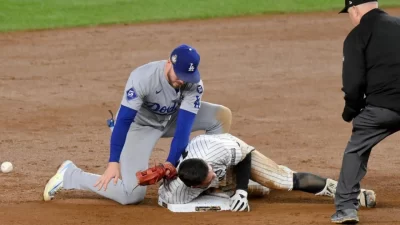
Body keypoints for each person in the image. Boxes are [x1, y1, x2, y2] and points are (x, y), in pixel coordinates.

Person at [42, 44, 232, 205]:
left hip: (172, 119)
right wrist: (113, 162)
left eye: (187, 76)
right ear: (169, 62)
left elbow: (183, 129)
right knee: (131, 195)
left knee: (220, 117)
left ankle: (208, 177)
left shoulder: (193, 84)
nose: (182, 80)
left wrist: (171, 162)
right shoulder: (143, 77)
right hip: (139, 126)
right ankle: (71, 175)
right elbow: (124, 120)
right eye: (179, 74)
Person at [158, 133, 376, 212]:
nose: (214, 174)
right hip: (211, 182)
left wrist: (241, 191)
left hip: (238, 155)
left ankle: (348, 192)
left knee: (279, 180)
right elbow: (164, 198)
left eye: (212, 171)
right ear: (195, 186)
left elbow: (243, 157)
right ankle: (247, 187)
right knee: (261, 191)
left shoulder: (218, 151)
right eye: (209, 178)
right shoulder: (178, 192)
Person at [333, 0, 400, 223]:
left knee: (356, 150)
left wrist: (350, 111)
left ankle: (346, 210)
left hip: (381, 109)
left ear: (355, 10)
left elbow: (353, 84)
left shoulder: (357, 36)